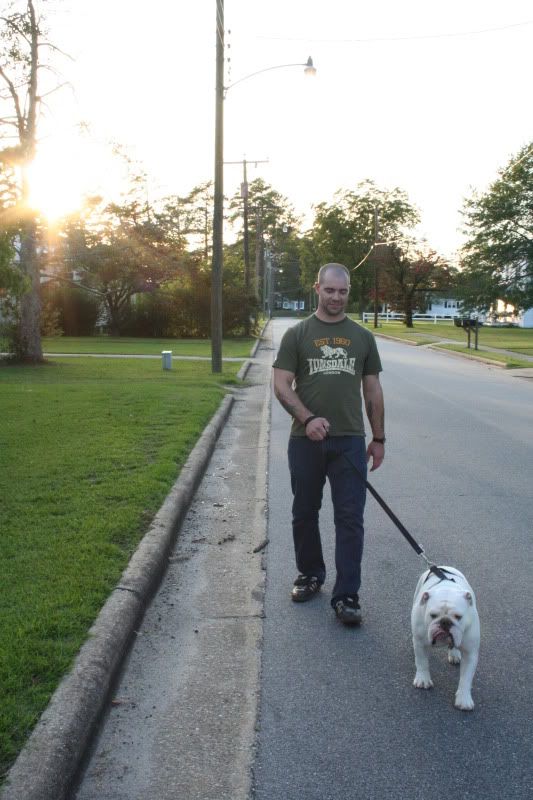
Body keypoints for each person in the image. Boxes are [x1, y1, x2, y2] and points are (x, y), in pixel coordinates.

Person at [272, 262, 385, 625]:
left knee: (350, 519)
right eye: (330, 290)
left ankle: (347, 594)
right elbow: (280, 384)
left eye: (343, 291)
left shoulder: (363, 337)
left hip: (350, 441)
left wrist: (378, 437)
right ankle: (310, 575)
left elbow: (372, 390)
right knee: (304, 512)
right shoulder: (297, 334)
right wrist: (307, 419)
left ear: (348, 292)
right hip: (305, 441)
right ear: (317, 288)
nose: (336, 297)